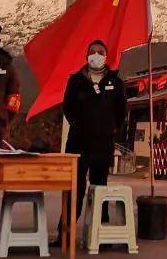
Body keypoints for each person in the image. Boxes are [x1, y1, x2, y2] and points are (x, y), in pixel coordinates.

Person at [54, 40, 127, 243]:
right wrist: (80, 125)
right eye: (93, 52)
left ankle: (99, 234)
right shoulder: (76, 80)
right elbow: (67, 107)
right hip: (78, 143)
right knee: (74, 189)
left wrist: (110, 128)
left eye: (101, 52)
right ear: (86, 56)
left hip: (103, 144)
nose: (96, 55)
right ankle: (65, 234)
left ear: (106, 56)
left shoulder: (116, 82)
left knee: (99, 188)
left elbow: (121, 111)